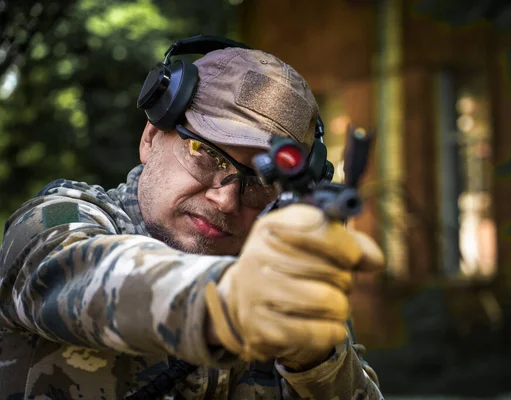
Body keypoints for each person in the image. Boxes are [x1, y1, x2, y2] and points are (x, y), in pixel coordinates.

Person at [0, 37, 385, 399]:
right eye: (206, 153)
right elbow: (79, 272)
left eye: (262, 181)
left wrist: (317, 360)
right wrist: (228, 302)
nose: (225, 199)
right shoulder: (59, 220)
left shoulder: (283, 283)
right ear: (151, 137)